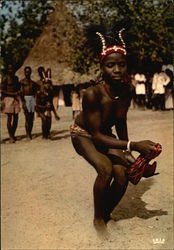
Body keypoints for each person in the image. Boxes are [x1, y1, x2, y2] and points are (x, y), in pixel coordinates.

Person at [70, 28, 160, 230]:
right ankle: (98, 219)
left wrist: (130, 153)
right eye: (111, 65)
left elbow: (120, 122)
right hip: (84, 134)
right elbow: (96, 135)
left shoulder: (125, 91)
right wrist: (133, 144)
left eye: (122, 64)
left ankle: (106, 212)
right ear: (102, 68)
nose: (117, 69)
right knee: (105, 169)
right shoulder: (92, 94)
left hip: (105, 135)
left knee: (122, 174)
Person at [35, 67, 59, 139]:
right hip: (40, 106)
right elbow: (37, 100)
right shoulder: (39, 87)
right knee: (44, 120)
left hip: (47, 106)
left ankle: (47, 134)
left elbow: (50, 102)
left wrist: (55, 114)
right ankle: (44, 135)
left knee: (49, 120)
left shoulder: (50, 90)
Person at [1, 64, 21, 143]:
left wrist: (18, 92)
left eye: (12, 69)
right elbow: (2, 90)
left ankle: (13, 134)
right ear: (7, 70)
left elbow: (18, 88)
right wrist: (12, 94)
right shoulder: (5, 78)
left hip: (15, 99)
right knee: (9, 118)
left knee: (16, 118)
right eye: (9, 69)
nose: (11, 70)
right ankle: (10, 136)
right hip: (8, 99)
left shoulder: (16, 78)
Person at [20, 66, 37, 140]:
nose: (27, 73)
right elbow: (21, 93)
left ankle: (30, 132)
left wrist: (35, 101)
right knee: (27, 118)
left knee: (31, 118)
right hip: (25, 99)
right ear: (24, 72)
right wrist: (23, 102)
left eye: (29, 71)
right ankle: (27, 134)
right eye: (26, 71)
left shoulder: (33, 83)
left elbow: (35, 93)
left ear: (30, 72)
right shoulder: (22, 82)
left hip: (32, 99)